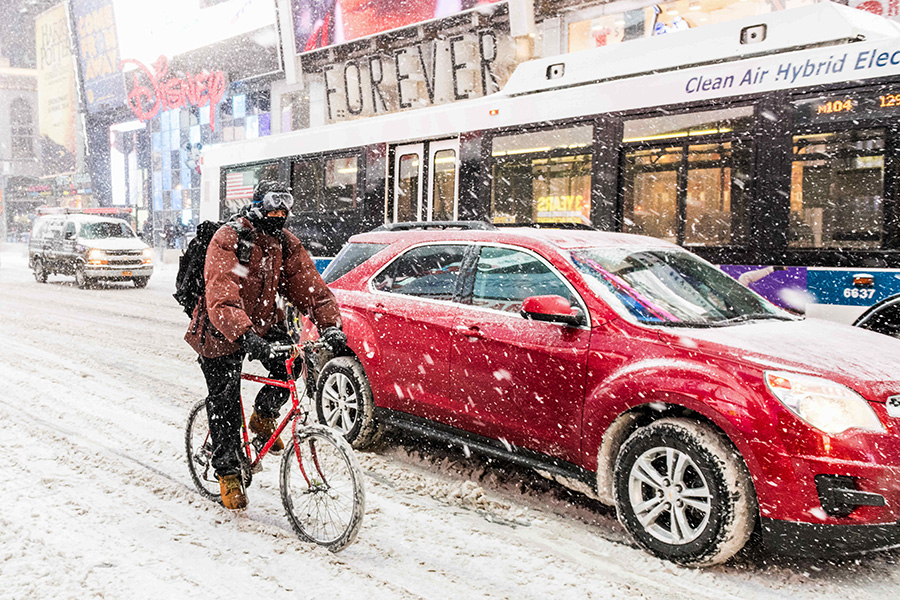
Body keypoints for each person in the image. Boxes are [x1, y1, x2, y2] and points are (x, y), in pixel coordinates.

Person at [184, 180, 347, 510]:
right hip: (218, 330)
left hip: (261, 323)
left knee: (292, 364)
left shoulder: (284, 244)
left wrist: (330, 325)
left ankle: (264, 414)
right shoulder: (230, 238)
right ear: (258, 203)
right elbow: (222, 294)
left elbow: (309, 286)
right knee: (225, 402)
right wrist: (245, 337)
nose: (279, 212)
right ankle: (228, 472)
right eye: (273, 205)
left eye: (285, 206)